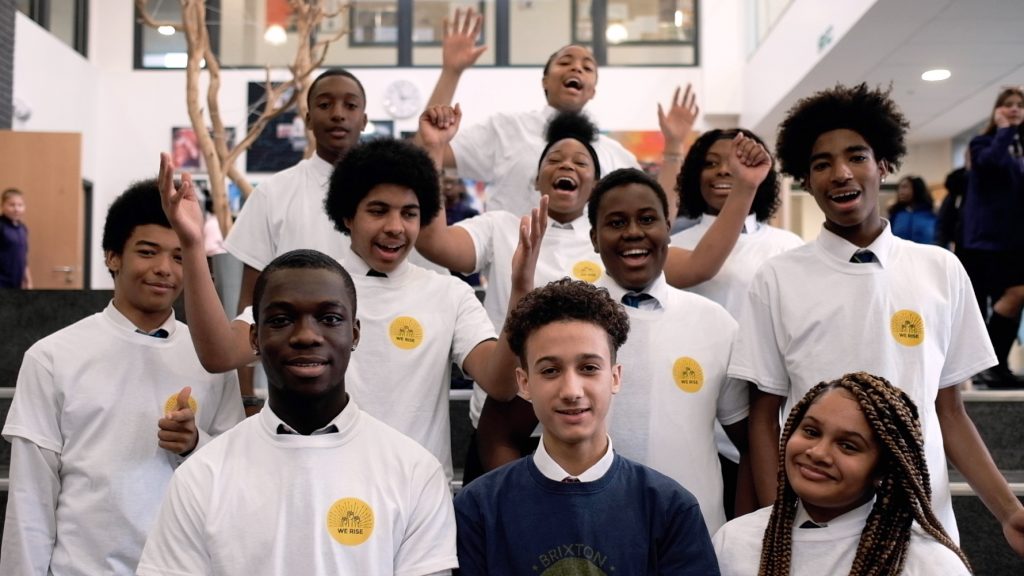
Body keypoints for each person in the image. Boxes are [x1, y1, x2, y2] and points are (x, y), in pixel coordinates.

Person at [731, 82, 1024, 555]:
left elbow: (949, 412)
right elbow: (764, 419)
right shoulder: (777, 278)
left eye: (857, 156)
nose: (840, 173)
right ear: (806, 181)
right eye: (821, 164)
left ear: (884, 164)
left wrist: (1009, 512)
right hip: (812, 525)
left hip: (919, 524)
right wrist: (777, 522)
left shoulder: (939, 269)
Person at [417, 106, 764, 483]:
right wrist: (435, 151)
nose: (632, 233)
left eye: (581, 161)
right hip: (527, 423)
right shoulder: (505, 229)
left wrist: (718, 173)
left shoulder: (699, 314)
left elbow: (697, 261)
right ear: (536, 179)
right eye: (554, 158)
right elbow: (436, 242)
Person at [158, 136, 533, 482]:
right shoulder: (304, 281)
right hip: (318, 487)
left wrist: (519, 290)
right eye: (378, 210)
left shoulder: (448, 293)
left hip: (418, 500)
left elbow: (499, 384)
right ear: (348, 215)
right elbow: (220, 353)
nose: (395, 227)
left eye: (409, 213)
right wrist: (192, 247)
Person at [137, 250, 458, 576]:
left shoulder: (414, 472)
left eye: (330, 319)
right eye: (281, 320)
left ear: (355, 334)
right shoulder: (202, 475)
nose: (306, 336)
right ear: (255, 338)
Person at [0, 180, 244, 575]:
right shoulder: (53, 357)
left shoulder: (211, 358)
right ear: (113, 257)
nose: (165, 269)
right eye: (148, 252)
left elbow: (236, 476)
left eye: (180, 257)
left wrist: (194, 444)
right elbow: (30, 501)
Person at [454, 278, 720, 575]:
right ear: (524, 383)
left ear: (615, 377)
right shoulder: (478, 508)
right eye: (551, 370)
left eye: (589, 368)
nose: (571, 390)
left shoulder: (670, 508)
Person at [421, 7, 696, 217]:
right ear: (545, 81)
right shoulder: (506, 129)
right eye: (565, 62)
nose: (577, 68)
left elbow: (661, 214)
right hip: (516, 279)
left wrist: (673, 145)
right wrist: (451, 73)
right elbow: (426, 152)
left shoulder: (615, 155)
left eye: (587, 68)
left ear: (592, 91)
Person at [713, 372, 972, 575]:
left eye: (848, 446)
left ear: (882, 469)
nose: (818, 453)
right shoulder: (735, 541)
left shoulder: (930, 564)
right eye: (811, 432)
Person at [670, 129, 803, 519]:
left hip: (769, 415)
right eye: (710, 163)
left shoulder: (788, 246)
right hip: (695, 411)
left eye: (733, 162)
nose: (721, 172)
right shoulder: (674, 246)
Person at [960, 86, 1024, 388]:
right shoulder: (983, 143)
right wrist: (1004, 130)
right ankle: (986, 365)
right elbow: (990, 164)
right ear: (996, 110)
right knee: (998, 299)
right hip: (987, 241)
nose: (1014, 109)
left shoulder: (1020, 146)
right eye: (1008, 105)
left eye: (1020, 105)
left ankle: (995, 365)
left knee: (1016, 297)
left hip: (1015, 239)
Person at [888, 175, 937, 244]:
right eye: (899, 188)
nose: (900, 191)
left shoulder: (931, 214)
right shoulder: (896, 214)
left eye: (904, 187)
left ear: (916, 188)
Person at [0, 187, 31, 289]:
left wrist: (28, 281)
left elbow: (23, 257)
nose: (16, 209)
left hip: (16, 282)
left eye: (20, 205)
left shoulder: (23, 229)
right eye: (12, 205)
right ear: (3, 206)